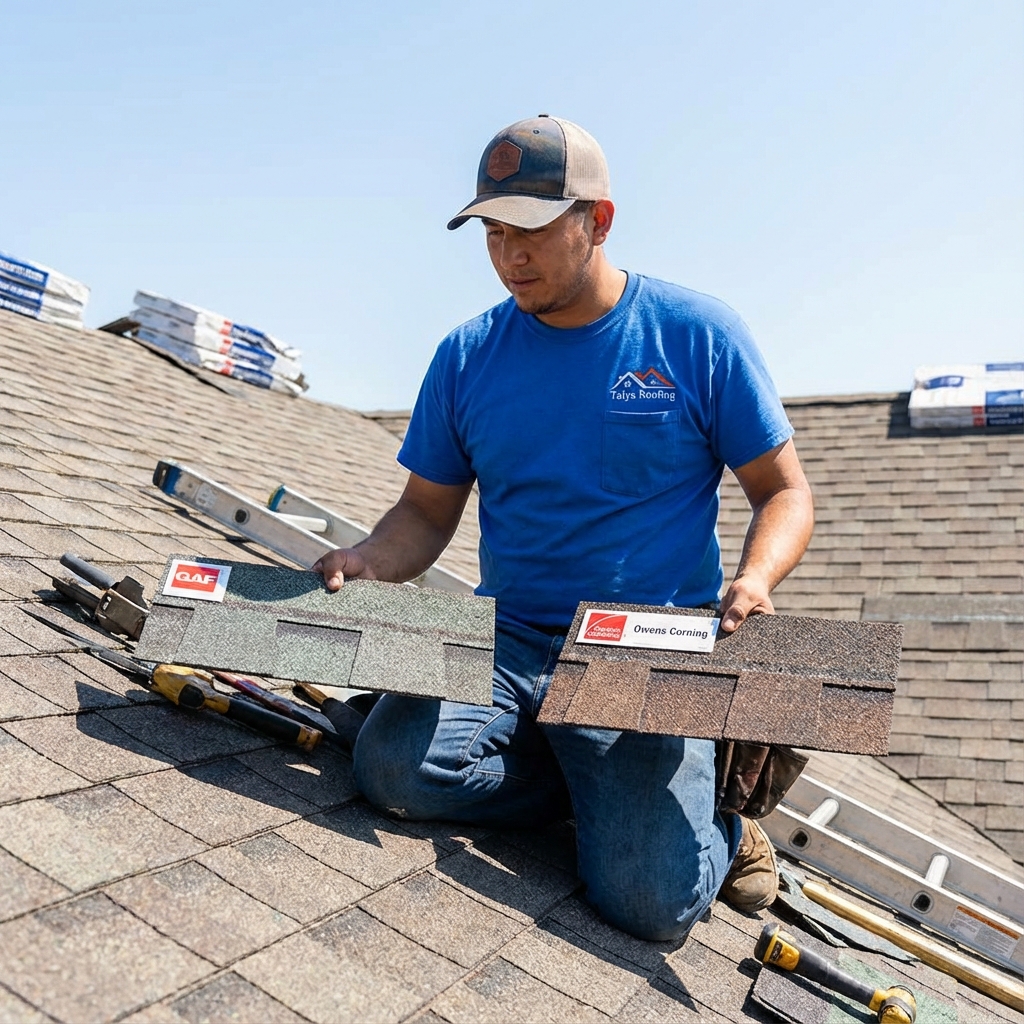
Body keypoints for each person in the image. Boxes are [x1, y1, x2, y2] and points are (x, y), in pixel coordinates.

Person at [314, 115, 814, 941]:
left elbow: (785, 492)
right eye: (495, 233)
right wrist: (370, 559)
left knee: (651, 903)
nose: (511, 256)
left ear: (599, 221)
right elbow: (425, 512)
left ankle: (721, 827)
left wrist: (755, 581)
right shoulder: (467, 356)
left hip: (642, 647)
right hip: (506, 638)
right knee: (394, 769)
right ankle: (579, 782)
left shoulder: (697, 336)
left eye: (533, 231)